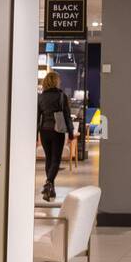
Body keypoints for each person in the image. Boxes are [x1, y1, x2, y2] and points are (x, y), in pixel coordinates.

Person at [37, 71, 73, 201]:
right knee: (56, 160)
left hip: (44, 131)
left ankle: (51, 189)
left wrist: (36, 135)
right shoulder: (61, 96)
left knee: (49, 159)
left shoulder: (40, 97)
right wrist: (71, 132)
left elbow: (37, 117)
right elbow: (67, 116)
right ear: (56, 81)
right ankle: (48, 182)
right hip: (57, 131)